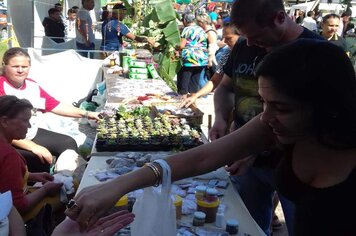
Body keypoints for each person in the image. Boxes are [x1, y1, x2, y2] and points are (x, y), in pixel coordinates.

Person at [66, 39, 356, 236]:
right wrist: (119, 185)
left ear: (326, 106)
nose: (265, 117)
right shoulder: (270, 126)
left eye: (281, 108)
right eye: (264, 103)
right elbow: (204, 156)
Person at [210, 0, 324, 235]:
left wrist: (252, 148)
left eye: (257, 36)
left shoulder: (316, 52)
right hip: (247, 163)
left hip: (295, 167)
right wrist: (221, 117)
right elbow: (225, 88)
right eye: (245, 36)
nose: (250, 43)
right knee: (248, 225)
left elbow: (318, 121)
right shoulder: (244, 44)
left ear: (280, 18)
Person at [0, 47, 100, 173]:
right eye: (15, 66)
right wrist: (33, 147)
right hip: (10, 140)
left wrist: (87, 113)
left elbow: (54, 105)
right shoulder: (1, 87)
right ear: (4, 66)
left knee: (68, 143)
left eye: (24, 67)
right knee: (40, 158)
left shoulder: (32, 85)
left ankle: (67, 181)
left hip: (29, 132)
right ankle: (38, 186)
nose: (20, 70)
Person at [0, 95, 63, 229]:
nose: (29, 126)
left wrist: (32, 176)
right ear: (4, 121)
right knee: (69, 189)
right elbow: (18, 206)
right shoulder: (8, 155)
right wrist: (45, 189)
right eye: (25, 120)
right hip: (11, 218)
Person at [180, 21, 240, 108]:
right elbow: (214, 80)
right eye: (224, 38)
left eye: (229, 38)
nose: (225, 42)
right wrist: (195, 96)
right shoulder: (227, 54)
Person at [177, 13, 208, 99]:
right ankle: (193, 102)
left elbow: (182, 46)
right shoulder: (201, 29)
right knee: (195, 81)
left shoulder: (186, 29)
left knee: (185, 81)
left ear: (185, 21)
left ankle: (182, 100)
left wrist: (176, 47)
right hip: (202, 58)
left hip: (190, 59)